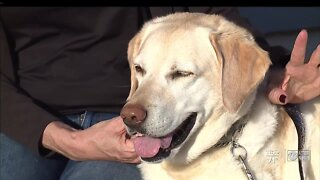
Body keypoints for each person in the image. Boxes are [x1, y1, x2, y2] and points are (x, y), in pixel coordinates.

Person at [0, 7, 319, 180]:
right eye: (139, 70)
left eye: (180, 74)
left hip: (118, 117)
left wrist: (268, 71)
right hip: (19, 115)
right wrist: (67, 139)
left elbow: (210, 18)